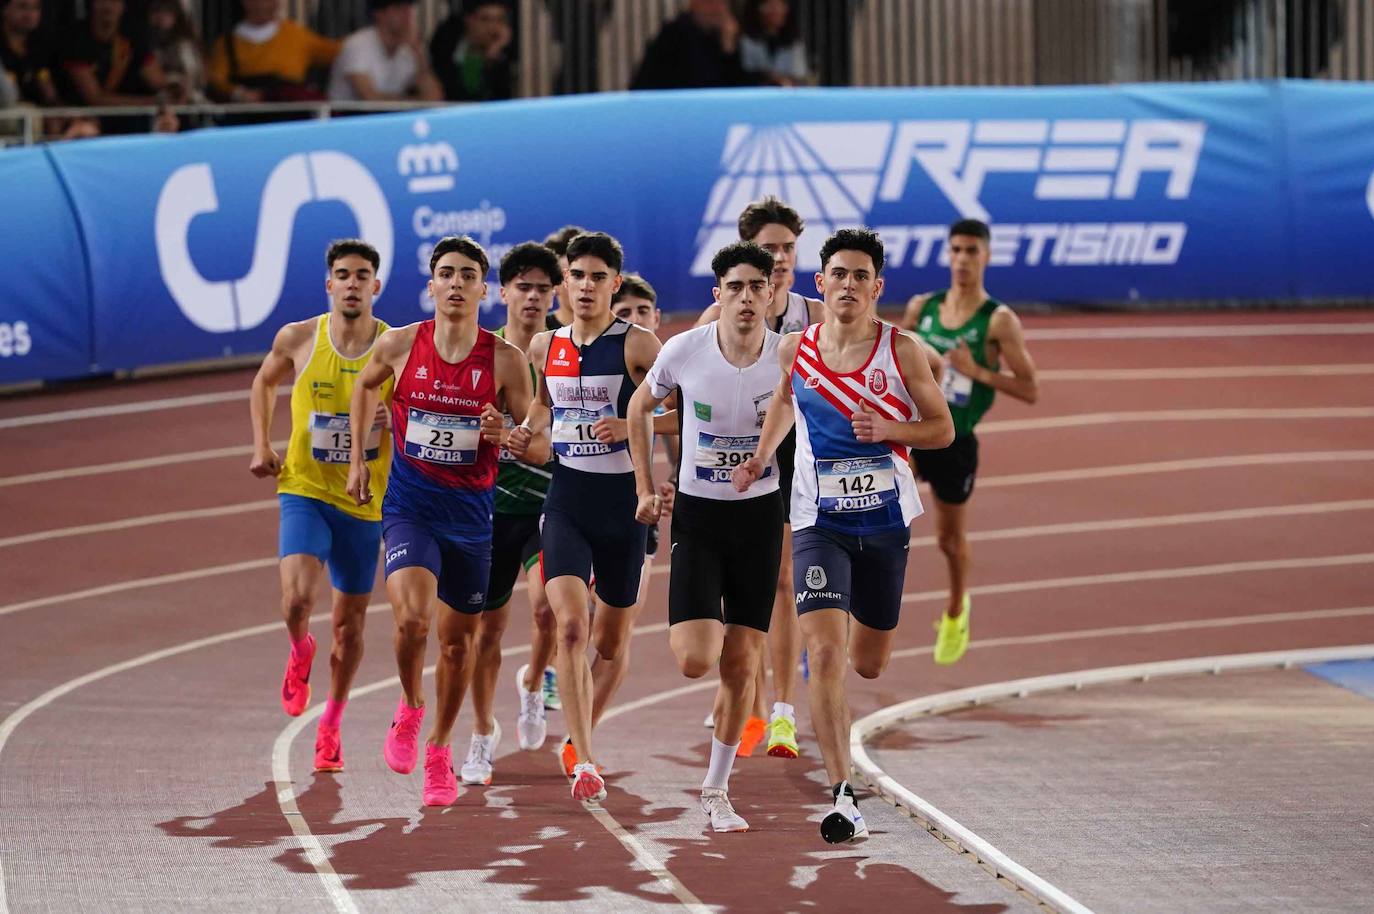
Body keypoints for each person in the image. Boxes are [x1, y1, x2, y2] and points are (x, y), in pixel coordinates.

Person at [732, 227, 953, 843]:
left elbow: (942, 430)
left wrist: (889, 429)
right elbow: (782, 404)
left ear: (877, 287)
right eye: (839, 274)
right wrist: (759, 456)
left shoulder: (902, 353)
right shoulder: (794, 350)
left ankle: (860, 651)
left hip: (883, 525)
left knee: (869, 662)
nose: (849, 285)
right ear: (818, 283)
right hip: (817, 523)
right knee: (824, 655)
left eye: (861, 276)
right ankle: (842, 792)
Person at [345, 234, 535, 807]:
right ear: (431, 286)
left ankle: (440, 749)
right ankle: (409, 706)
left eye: (467, 275)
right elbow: (363, 385)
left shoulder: (504, 360)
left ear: (484, 290)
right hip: (410, 508)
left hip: (473, 519)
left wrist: (511, 434)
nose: (456, 284)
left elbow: (534, 439)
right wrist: (360, 456)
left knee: (458, 647)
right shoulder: (401, 345)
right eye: (446, 273)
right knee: (413, 622)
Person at [629, 241, 785, 833]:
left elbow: (804, 410)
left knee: (742, 662)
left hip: (760, 517)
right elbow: (642, 408)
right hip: (699, 515)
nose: (747, 298)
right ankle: (720, 680)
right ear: (718, 295)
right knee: (697, 660)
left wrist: (768, 460)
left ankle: (716, 790)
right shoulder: (684, 351)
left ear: (772, 294)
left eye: (757, 287)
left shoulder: (788, 356)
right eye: (735, 288)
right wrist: (647, 484)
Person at [525, 231, 665, 803]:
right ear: (566, 282)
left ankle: (583, 738)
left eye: (597, 277)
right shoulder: (544, 346)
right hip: (567, 502)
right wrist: (523, 433)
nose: (586, 286)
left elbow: (677, 406)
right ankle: (584, 759)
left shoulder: (638, 346)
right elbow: (542, 404)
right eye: (577, 276)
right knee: (571, 626)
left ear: (614, 283)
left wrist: (632, 423)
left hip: (624, 508)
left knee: (608, 644)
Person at [248, 239, 394, 774]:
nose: (352, 283)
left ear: (376, 286)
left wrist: (392, 420)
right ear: (328, 284)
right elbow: (263, 382)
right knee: (296, 600)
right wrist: (262, 442)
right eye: (343, 275)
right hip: (305, 488)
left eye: (362, 275)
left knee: (350, 628)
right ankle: (299, 648)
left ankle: (331, 723)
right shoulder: (300, 337)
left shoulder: (395, 347)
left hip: (365, 501)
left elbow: (422, 410)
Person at [696, 195, 822, 759]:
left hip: (797, 456)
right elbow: (682, 390)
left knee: (783, 579)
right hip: (731, 462)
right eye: (769, 248)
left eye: (788, 247)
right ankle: (741, 691)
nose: (780, 257)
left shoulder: (814, 315)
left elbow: (874, 354)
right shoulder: (714, 320)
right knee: (734, 583)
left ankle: (783, 714)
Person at [900, 219, 1040, 665]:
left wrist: (975, 370)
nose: (962, 259)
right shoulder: (924, 308)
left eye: (971, 251)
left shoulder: (998, 320)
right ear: (947, 254)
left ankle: (957, 609)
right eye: (956, 250)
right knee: (881, 518)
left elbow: (1029, 388)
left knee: (948, 539)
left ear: (987, 256)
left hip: (956, 440)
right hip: (915, 429)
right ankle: (843, 613)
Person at [458, 241, 560, 787]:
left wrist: (532, 439)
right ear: (503, 292)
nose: (533, 297)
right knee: (485, 632)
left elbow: (564, 435)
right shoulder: (485, 356)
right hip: (490, 510)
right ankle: (480, 734)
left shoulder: (565, 354)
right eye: (523, 286)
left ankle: (535, 683)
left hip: (548, 507)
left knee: (548, 610)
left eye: (543, 288)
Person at [207, 0, 339, 103]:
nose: (274, 4)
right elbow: (216, 80)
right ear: (246, 3)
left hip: (290, 114)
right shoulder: (226, 43)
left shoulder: (295, 34)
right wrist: (240, 94)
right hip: (248, 117)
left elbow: (334, 52)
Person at [58, 0, 167, 111]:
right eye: (102, 1)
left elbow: (159, 82)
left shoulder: (132, 40)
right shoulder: (75, 41)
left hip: (129, 118)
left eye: (114, 1)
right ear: (92, 4)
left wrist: (174, 90)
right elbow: (95, 98)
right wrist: (150, 102)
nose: (108, 6)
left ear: (123, 6)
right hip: (83, 117)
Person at [328, 0, 441, 102]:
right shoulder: (357, 44)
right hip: (346, 119)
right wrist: (416, 102)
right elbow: (370, 98)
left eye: (409, 7)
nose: (407, 13)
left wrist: (419, 54)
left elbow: (435, 97)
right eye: (399, 7)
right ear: (379, 14)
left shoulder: (410, 48)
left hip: (388, 118)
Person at [630, 0, 748, 90]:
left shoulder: (730, 35)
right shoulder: (674, 35)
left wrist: (729, 49)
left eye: (721, 2)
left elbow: (745, 86)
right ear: (694, 4)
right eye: (709, 2)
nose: (717, 9)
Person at [429, 0, 513, 103]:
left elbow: (500, 99)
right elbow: (465, 97)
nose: (492, 28)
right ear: (469, 20)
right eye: (485, 19)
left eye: (500, 20)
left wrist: (492, 57)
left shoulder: (504, 51)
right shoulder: (445, 45)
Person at [1, 0, 59, 108]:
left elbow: (49, 92)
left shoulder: (39, 46)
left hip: (36, 114)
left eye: (35, 8)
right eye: (22, 7)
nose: (29, 14)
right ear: (4, 10)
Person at [146, 0, 205, 103]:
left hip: (189, 96)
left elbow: (195, 75)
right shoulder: (148, 43)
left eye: (166, 12)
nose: (161, 17)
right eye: (156, 12)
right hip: (159, 96)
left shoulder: (185, 43)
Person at [739, 0, 808, 86]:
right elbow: (745, 74)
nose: (776, 11)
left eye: (780, 5)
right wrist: (773, 78)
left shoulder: (795, 42)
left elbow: (800, 76)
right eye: (770, 6)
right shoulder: (747, 40)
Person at [542, 224, 586, 327]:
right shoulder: (537, 332)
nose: (585, 284)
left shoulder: (618, 331)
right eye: (575, 276)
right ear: (553, 284)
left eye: (594, 276)